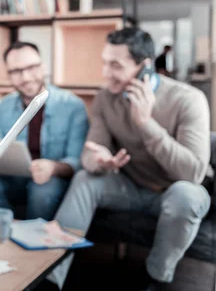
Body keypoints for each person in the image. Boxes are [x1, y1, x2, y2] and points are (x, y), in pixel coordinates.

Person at [42, 28, 212, 291]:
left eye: (116, 65)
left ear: (144, 67)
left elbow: (193, 173)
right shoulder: (105, 98)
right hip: (130, 186)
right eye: (104, 63)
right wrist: (100, 162)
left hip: (173, 190)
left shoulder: (188, 100)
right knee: (85, 178)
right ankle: (51, 277)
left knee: (187, 195)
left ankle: (157, 277)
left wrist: (145, 124)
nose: (105, 73)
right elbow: (90, 152)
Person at [0, 42, 89, 221]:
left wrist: (54, 167)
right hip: (12, 178)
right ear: (8, 75)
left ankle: (36, 244)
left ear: (43, 67)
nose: (25, 77)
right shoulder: (4, 107)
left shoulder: (73, 106)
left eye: (31, 68)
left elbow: (78, 160)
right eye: (16, 71)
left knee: (43, 189)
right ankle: (4, 238)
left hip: (51, 180)